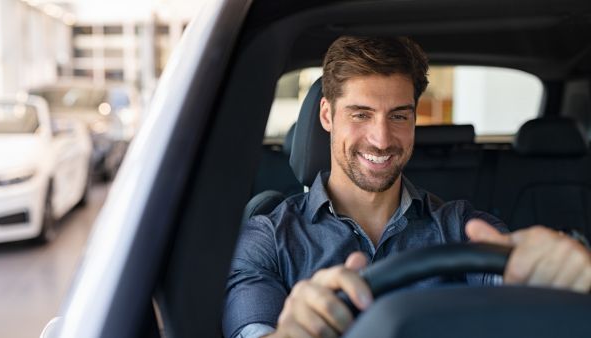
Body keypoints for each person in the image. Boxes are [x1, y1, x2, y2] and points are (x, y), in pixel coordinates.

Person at [223, 36, 591, 338]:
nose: (382, 139)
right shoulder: (267, 238)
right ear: (326, 115)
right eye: (361, 114)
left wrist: (559, 282)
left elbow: (517, 292)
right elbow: (254, 329)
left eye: (399, 115)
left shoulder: (462, 227)